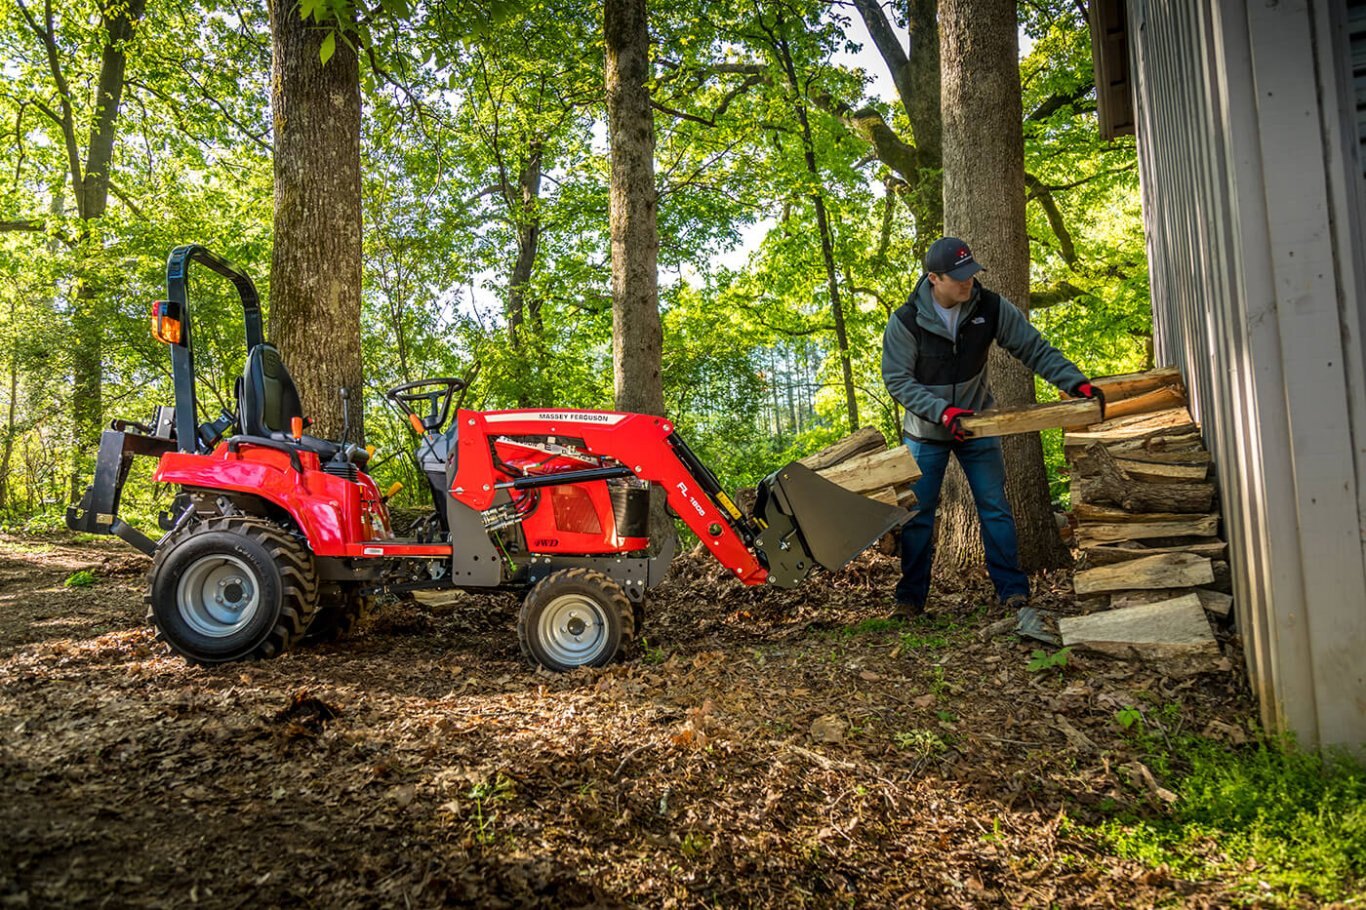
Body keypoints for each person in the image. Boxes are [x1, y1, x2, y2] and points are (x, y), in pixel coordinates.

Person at [881, 236, 1103, 617]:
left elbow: (1034, 348)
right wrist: (942, 411)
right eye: (958, 276)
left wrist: (1074, 383)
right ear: (934, 278)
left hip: (978, 425)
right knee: (918, 517)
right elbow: (898, 380)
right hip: (926, 433)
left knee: (995, 508)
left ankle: (1013, 593)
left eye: (971, 273)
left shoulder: (990, 307)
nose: (968, 282)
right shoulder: (906, 321)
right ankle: (910, 600)